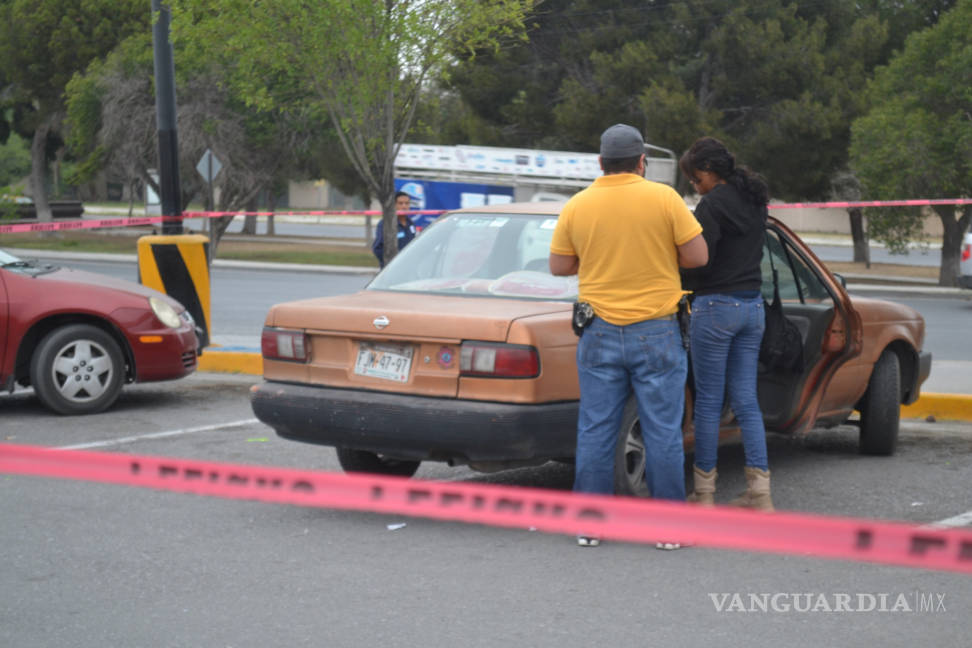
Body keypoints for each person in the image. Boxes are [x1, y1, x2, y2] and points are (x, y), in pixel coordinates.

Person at [549, 123, 708, 548]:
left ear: (600, 163)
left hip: (599, 330)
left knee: (597, 428)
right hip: (656, 332)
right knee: (661, 428)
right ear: (642, 162)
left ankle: (589, 525)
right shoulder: (664, 198)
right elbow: (698, 255)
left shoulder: (578, 205)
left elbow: (559, 266)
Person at [679, 136, 774, 512]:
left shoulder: (712, 205)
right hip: (753, 308)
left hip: (716, 307)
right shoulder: (755, 200)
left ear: (705, 172)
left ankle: (704, 494)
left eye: (693, 178)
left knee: (708, 403)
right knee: (746, 401)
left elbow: (701, 260)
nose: (694, 185)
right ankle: (760, 494)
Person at [372, 191, 417, 268]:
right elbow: (377, 248)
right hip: (392, 269)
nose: (404, 206)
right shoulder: (386, 224)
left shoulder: (411, 224)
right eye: (400, 203)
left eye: (407, 203)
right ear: (394, 205)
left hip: (409, 268)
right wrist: (390, 263)